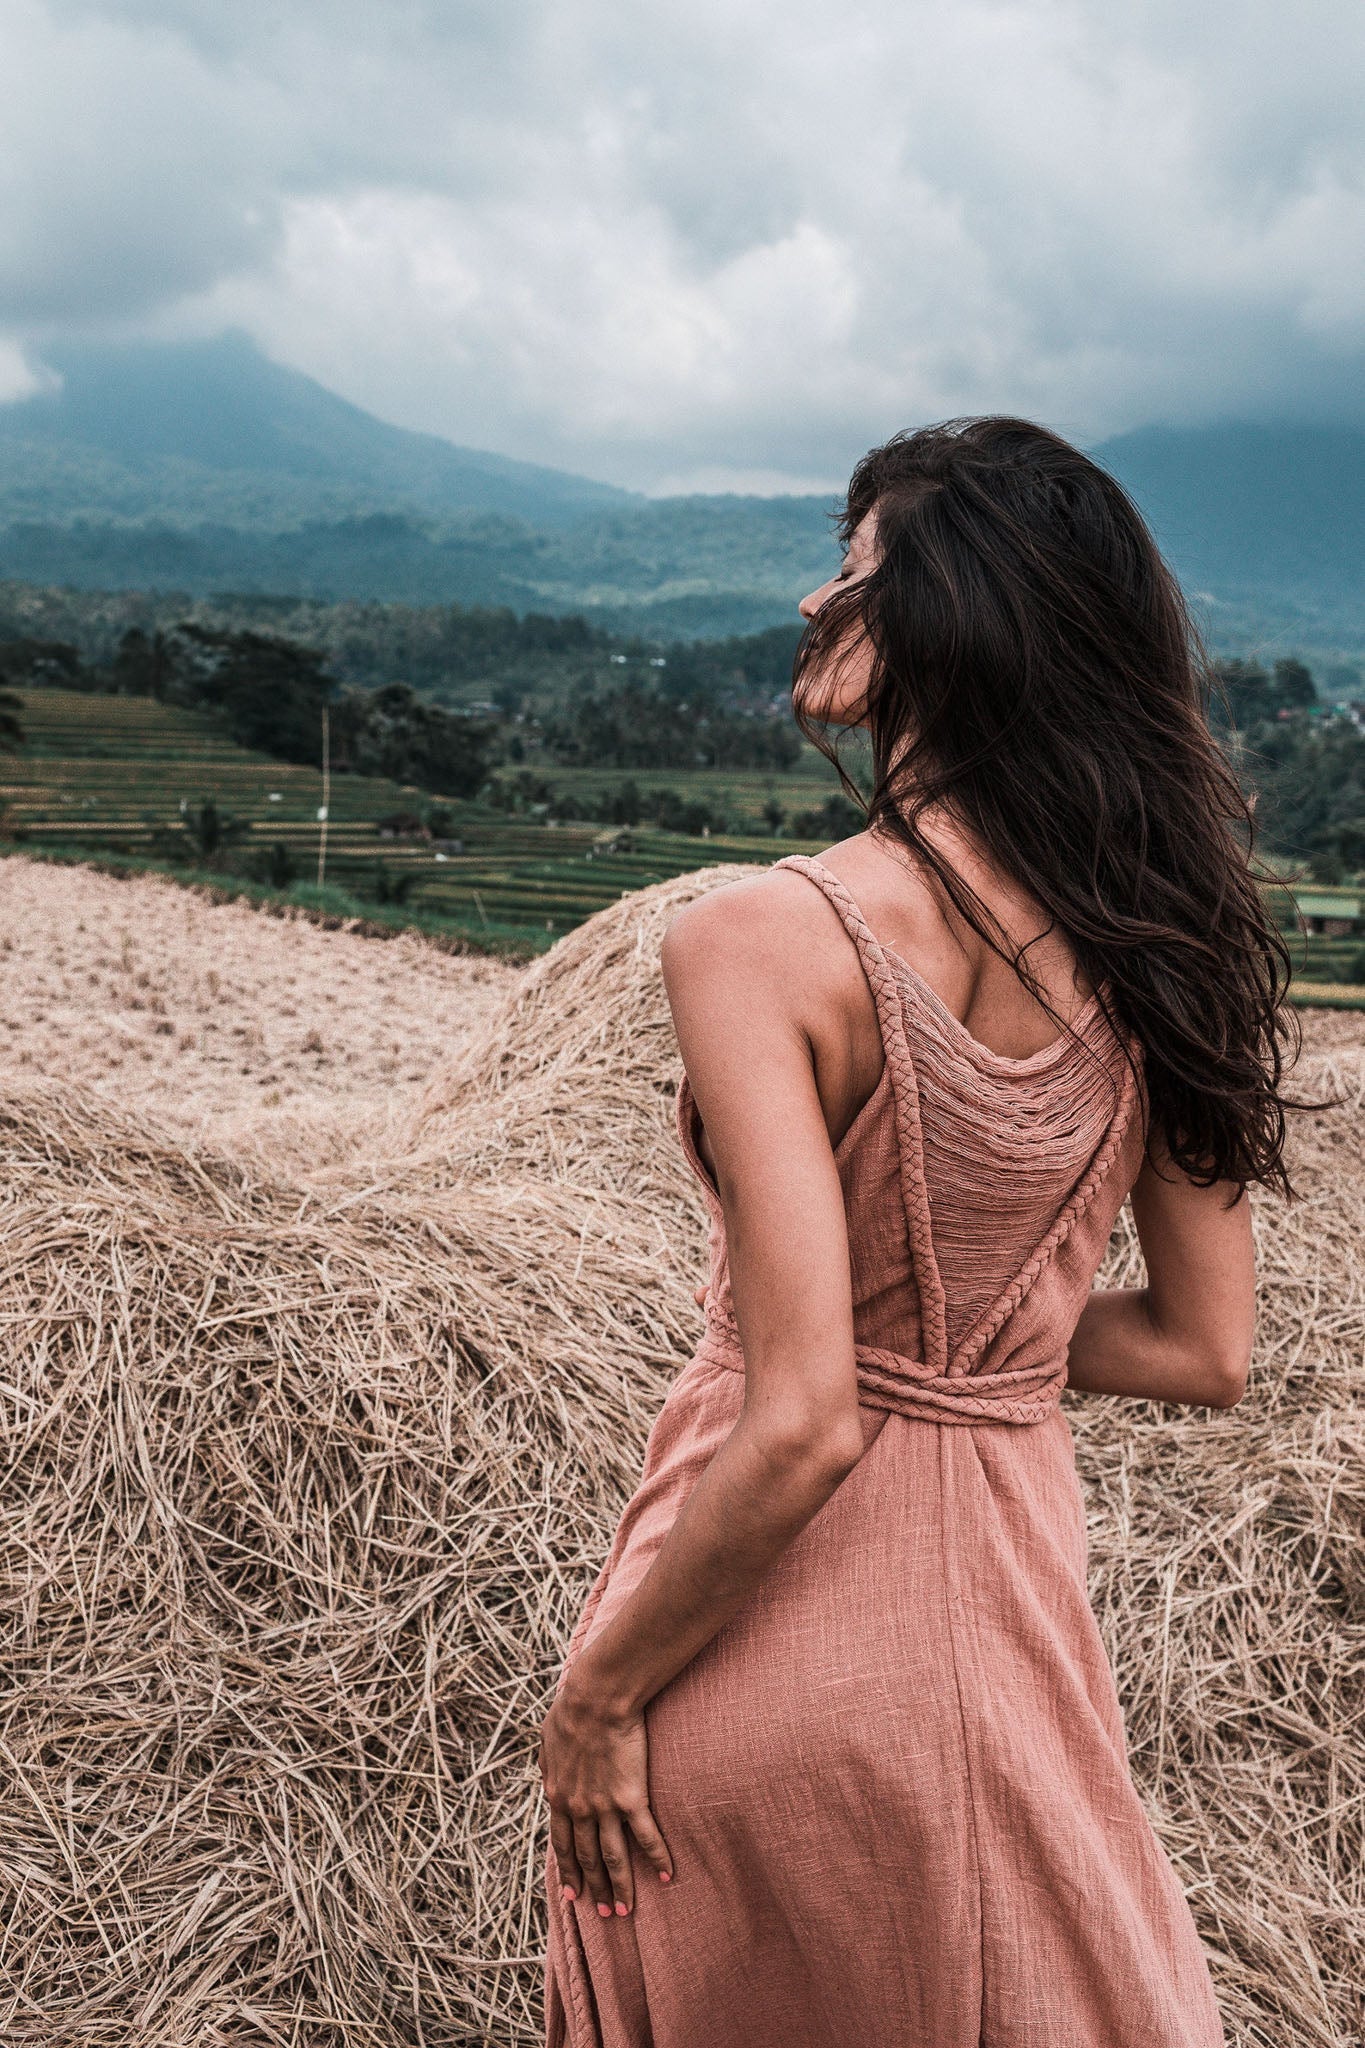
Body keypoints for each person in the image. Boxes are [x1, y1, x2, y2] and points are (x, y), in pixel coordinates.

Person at [539, 417, 1293, 2047]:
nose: (817, 606)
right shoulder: (1158, 947)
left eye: (858, 573)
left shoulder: (757, 937)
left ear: (960, 617)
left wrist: (597, 1695)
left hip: (758, 1647)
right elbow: (1197, 1347)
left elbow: (804, 1413)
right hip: (1009, 1643)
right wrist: (977, 1347)